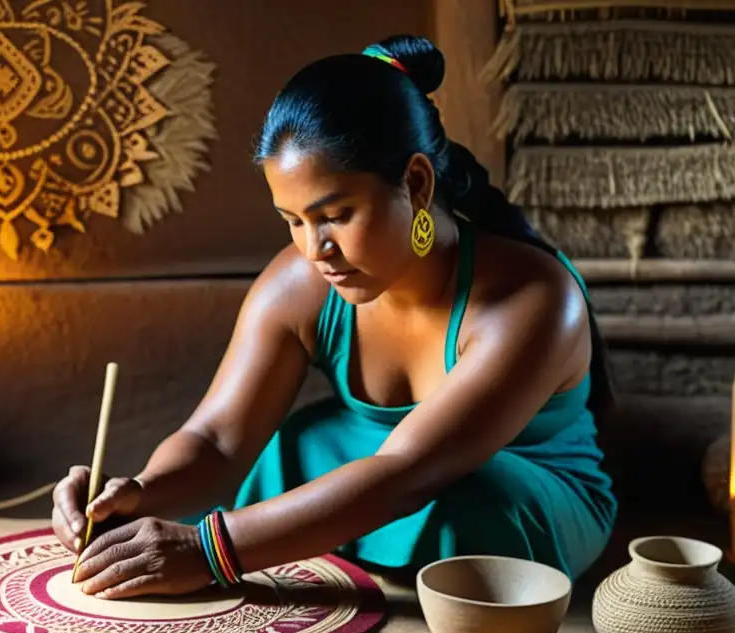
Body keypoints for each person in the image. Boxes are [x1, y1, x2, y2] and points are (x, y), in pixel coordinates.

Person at [53, 34, 618, 600]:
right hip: (379, 469)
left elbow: (407, 471)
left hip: (502, 487)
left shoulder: (533, 299)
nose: (313, 249)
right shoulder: (301, 282)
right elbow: (218, 439)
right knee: (295, 447)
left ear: (416, 183)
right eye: (292, 221)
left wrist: (210, 550)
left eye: (335, 215)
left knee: (468, 495)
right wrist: (133, 497)